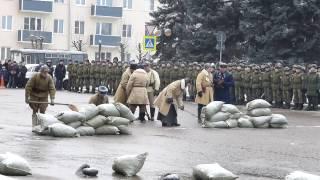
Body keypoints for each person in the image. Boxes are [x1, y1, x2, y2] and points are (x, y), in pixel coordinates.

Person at [25, 65, 56, 130]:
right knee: (35, 110)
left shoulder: (49, 77)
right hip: (34, 95)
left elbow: (52, 88)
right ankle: (34, 126)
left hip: (44, 96)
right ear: (41, 71)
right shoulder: (35, 76)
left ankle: (41, 125)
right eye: (44, 72)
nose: (45, 73)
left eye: (46, 72)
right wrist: (27, 97)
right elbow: (28, 87)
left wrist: (52, 99)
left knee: (42, 110)